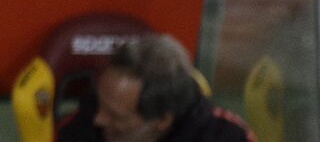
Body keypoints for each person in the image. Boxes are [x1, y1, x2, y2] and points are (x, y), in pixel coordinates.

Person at [57, 34, 256, 142]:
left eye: (116, 116)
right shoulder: (80, 127)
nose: (98, 118)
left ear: (161, 120)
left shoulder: (227, 136)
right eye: (99, 103)